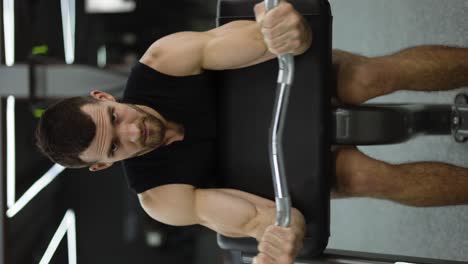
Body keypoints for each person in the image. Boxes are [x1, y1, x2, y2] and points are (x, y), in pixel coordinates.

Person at [34, 1, 468, 264]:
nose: (133, 129)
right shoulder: (160, 198)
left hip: (293, 84)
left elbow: (265, 42)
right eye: (115, 144)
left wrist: (282, 31)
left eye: (113, 118)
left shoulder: (162, 61)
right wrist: (279, 242)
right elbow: (265, 220)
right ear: (105, 164)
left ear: (104, 98)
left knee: (364, 80)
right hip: (296, 168)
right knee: (367, 178)